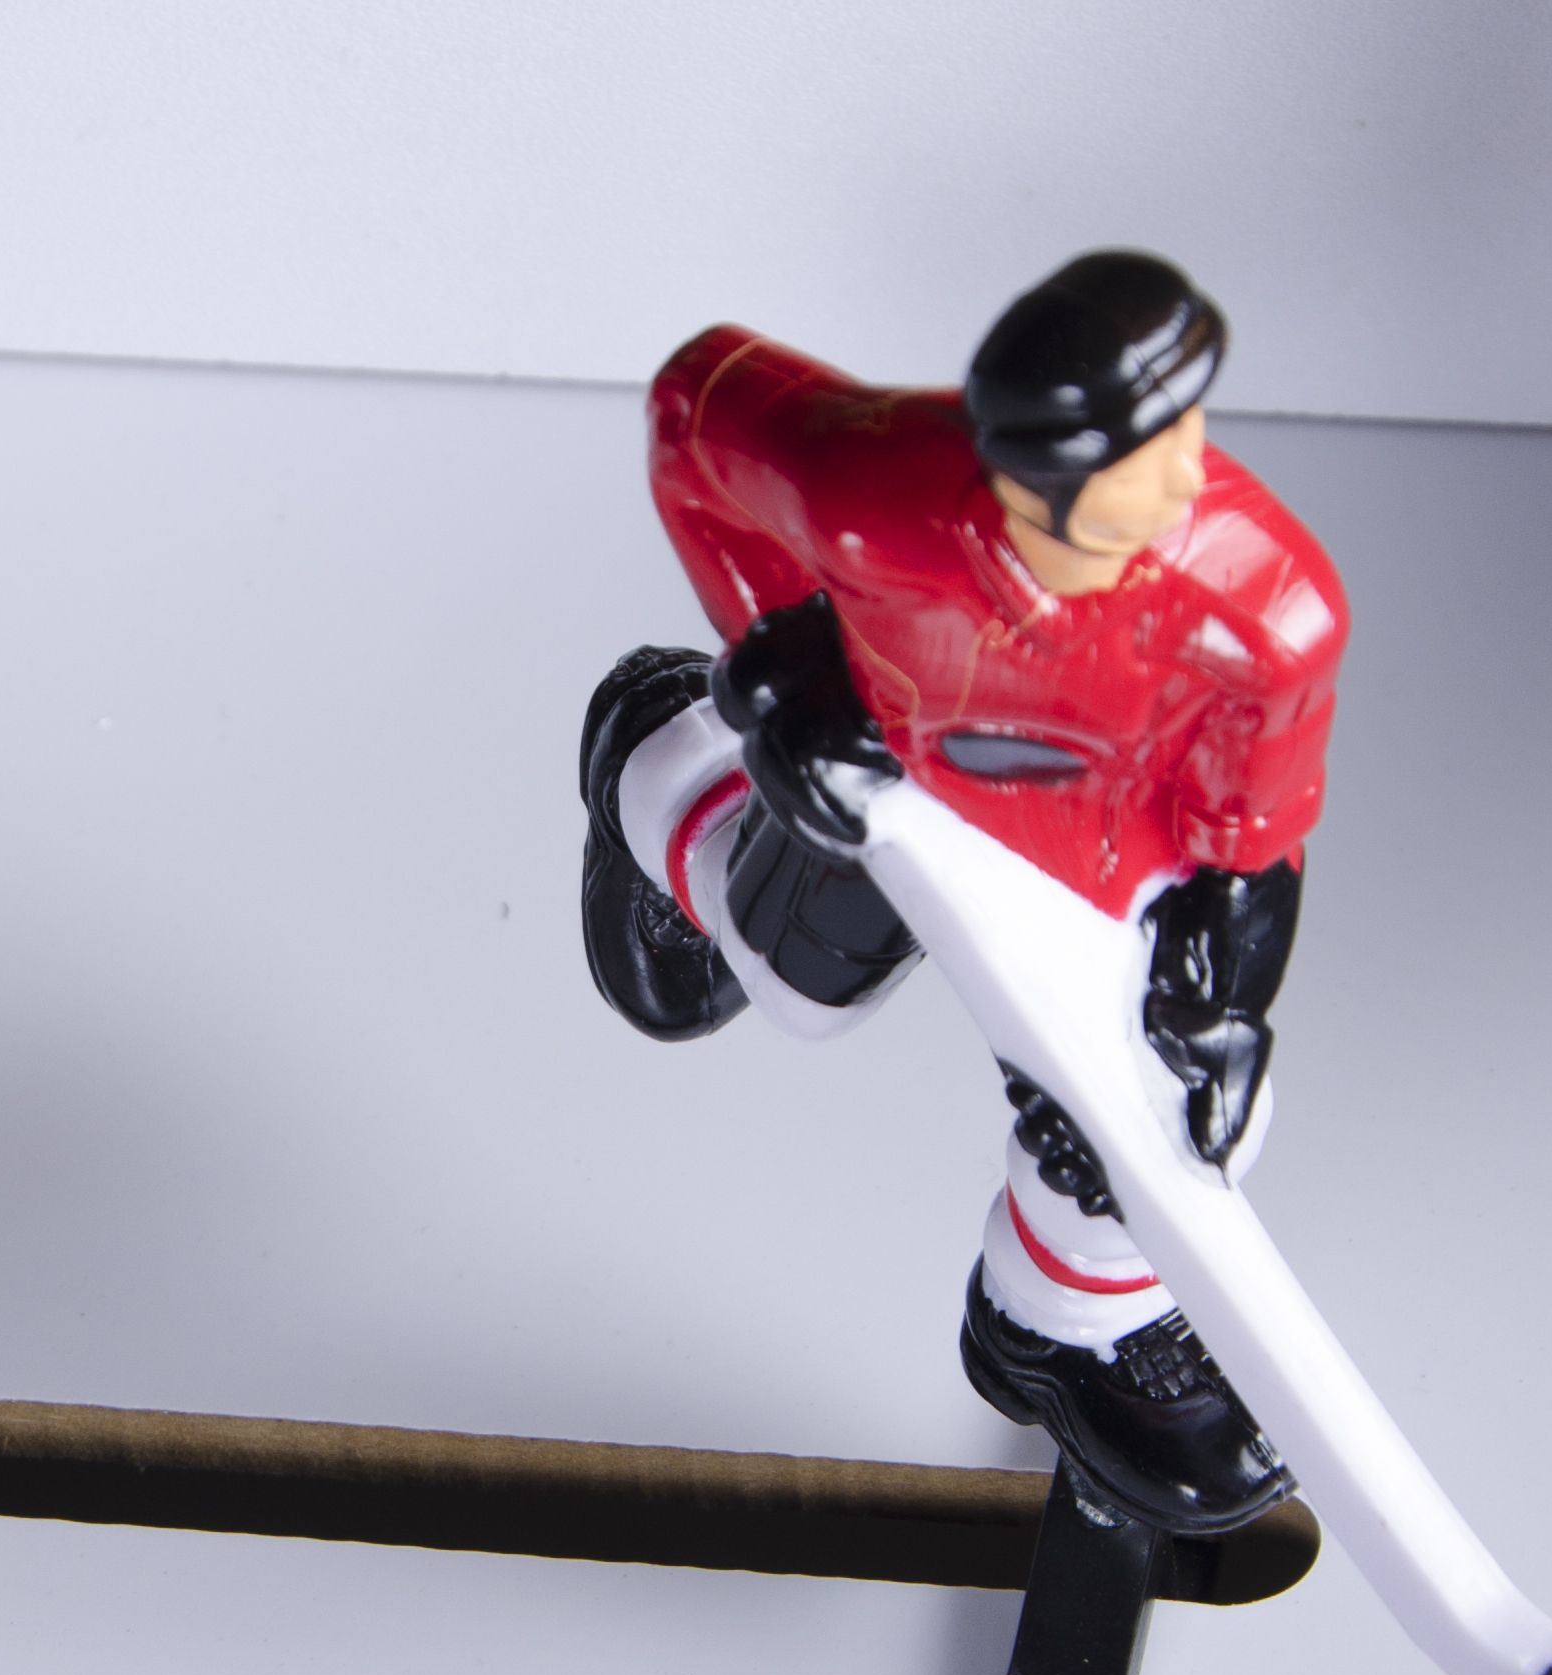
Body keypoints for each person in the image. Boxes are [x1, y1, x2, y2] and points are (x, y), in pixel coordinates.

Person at [577, 250, 1347, 1539]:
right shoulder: (875, 491)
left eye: (1188, 432)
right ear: (1034, 475)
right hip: (903, 794)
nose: (1184, 483)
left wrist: (1220, 1008)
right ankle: (654, 762)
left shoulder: (1268, 612)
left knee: (1174, 1116)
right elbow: (692, 410)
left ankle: (1061, 1329)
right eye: (1142, 456)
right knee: (800, 994)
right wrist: (782, 653)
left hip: (1114, 869)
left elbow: (1251, 840)